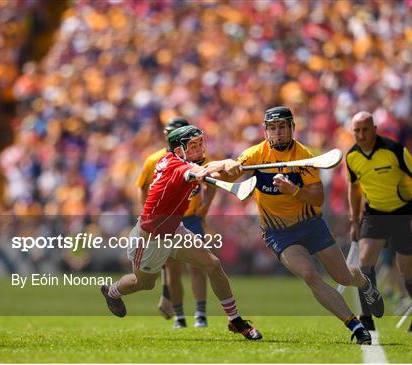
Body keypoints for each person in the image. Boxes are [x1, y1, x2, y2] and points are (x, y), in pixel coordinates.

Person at [212, 106, 383, 345]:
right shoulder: (254, 155)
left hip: (310, 225)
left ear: (292, 128)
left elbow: (317, 197)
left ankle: (365, 284)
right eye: (273, 128)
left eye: (282, 127)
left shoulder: (304, 156)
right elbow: (227, 177)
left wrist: (293, 190)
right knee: (310, 275)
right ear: (266, 132)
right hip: (277, 233)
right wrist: (225, 168)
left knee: (343, 276)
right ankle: (355, 326)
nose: (278, 133)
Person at [101, 125, 262, 340]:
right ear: (178, 150)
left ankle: (235, 320)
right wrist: (220, 167)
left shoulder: (180, 161)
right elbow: (196, 172)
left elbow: (206, 168)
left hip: (175, 231)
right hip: (150, 238)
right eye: (192, 146)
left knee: (212, 264)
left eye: (199, 144)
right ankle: (112, 292)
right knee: (145, 284)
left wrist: (226, 163)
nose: (198, 150)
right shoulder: (176, 167)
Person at [346, 111, 412, 332]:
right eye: (357, 130)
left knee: (407, 268)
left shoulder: (395, 151)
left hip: (404, 212)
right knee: (365, 259)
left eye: (365, 129)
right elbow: (354, 188)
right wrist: (354, 220)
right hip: (374, 213)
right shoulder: (352, 157)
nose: (361, 135)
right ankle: (366, 316)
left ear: (374, 129)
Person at [136, 117, 215, 328]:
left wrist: (205, 207)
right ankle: (180, 317)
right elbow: (143, 189)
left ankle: (200, 314)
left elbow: (212, 183)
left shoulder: (198, 156)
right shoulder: (154, 160)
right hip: (167, 221)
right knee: (173, 270)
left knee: (199, 266)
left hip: (191, 218)